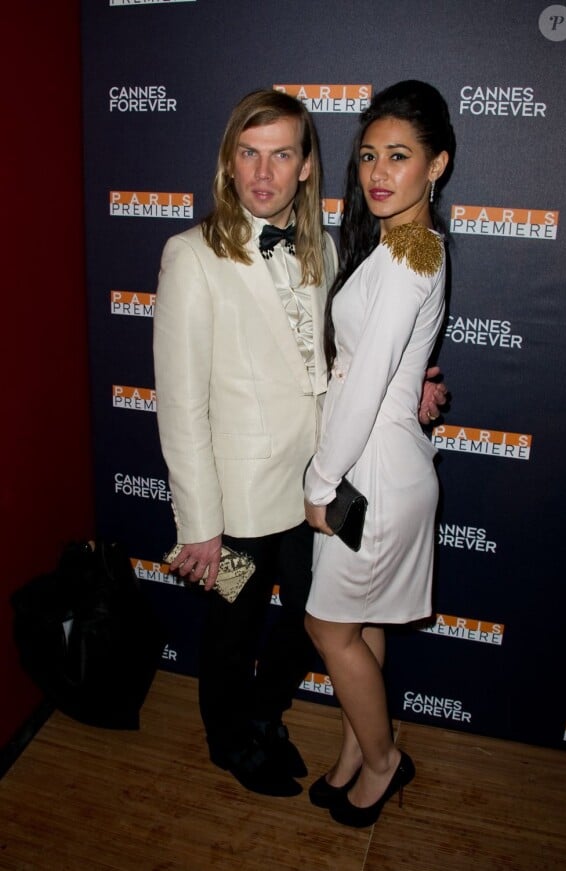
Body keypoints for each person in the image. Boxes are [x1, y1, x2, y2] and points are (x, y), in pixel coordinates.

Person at [153, 88, 447, 798]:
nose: (263, 173)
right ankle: (230, 741)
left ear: (307, 165)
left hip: (319, 488)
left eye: (281, 154)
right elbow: (180, 402)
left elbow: (347, 363)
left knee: (310, 624)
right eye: (248, 155)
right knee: (231, 626)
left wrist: (408, 389)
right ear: (229, 164)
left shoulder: (327, 245)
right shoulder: (189, 256)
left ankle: (265, 714)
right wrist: (198, 525)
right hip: (236, 503)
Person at [303, 80, 455, 827]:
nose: (378, 171)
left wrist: (320, 481)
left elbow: (361, 388)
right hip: (384, 468)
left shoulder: (405, 258)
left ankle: (385, 759)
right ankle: (356, 752)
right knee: (359, 630)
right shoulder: (404, 245)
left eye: (400, 155)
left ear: (437, 166)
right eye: (368, 155)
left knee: (328, 629)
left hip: (372, 476)